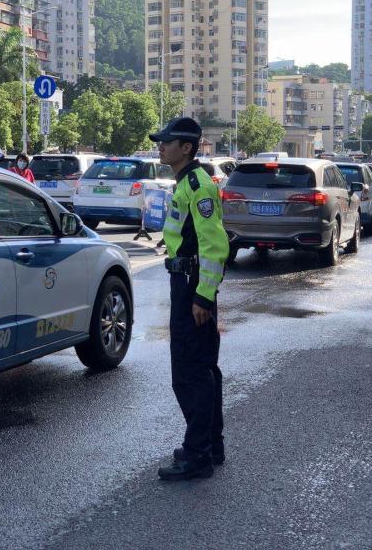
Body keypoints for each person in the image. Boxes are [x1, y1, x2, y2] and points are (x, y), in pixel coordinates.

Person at [152, 117, 230, 481]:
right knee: (203, 368)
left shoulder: (197, 185)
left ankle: (198, 454)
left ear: (186, 148)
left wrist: (202, 296)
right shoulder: (187, 182)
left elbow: (214, 245)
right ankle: (210, 445)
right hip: (188, 282)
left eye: (167, 142)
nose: (161, 147)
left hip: (192, 286)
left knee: (189, 373)